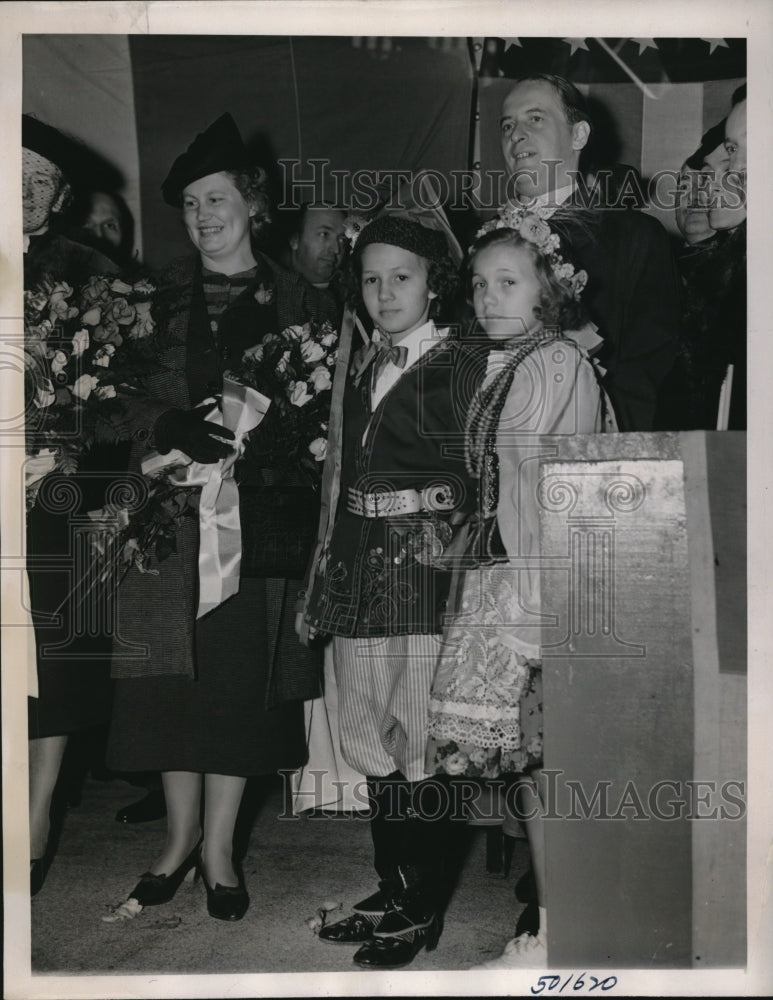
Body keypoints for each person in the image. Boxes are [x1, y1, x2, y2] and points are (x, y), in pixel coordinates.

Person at [104, 113, 318, 922]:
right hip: (167, 517)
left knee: (237, 682)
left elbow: (322, 406)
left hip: (256, 519)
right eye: (190, 202)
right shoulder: (150, 297)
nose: (203, 216)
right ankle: (177, 841)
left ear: (251, 204)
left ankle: (221, 849)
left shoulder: (301, 297)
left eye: (216, 197)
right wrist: (164, 425)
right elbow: (115, 394)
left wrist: (269, 451)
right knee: (169, 679)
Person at [425, 209, 615, 970]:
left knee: (551, 757)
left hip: (547, 583)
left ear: (549, 289)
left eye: (508, 281)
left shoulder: (554, 364)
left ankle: (560, 928)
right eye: (478, 284)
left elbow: (551, 487)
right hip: (514, 573)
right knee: (535, 763)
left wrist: (534, 601)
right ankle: (550, 922)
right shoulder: (520, 361)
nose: (486, 297)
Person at [303, 214, 474, 968]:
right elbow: (340, 479)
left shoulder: (466, 362)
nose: (383, 292)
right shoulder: (360, 362)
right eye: (370, 278)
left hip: (427, 578)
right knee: (367, 735)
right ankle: (393, 882)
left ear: (434, 281)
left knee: (422, 739)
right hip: (357, 570)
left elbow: (484, 475)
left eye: (400, 276)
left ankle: (421, 903)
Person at [23, 114, 122, 896]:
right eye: (12, 176)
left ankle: (37, 812)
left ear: (60, 199)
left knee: (53, 663)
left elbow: (118, 406)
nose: (25, 195)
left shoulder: (91, 275)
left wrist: (66, 456)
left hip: (48, 499)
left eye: (41, 183)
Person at [498, 74, 680, 432]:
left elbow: (651, 368)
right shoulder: (483, 243)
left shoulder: (634, 237)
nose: (515, 134)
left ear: (579, 135)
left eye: (535, 118)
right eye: (507, 124)